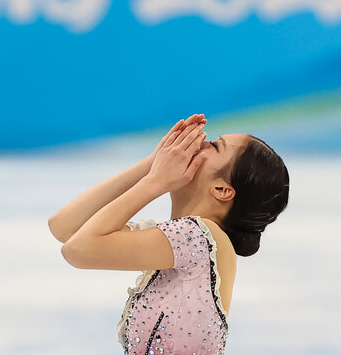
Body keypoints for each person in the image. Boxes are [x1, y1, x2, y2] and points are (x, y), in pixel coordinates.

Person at [48, 113, 290, 355]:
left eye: (215, 146)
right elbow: (65, 228)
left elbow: (78, 250)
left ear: (222, 189)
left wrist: (155, 180)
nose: (200, 143)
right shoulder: (188, 240)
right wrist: (151, 164)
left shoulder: (200, 238)